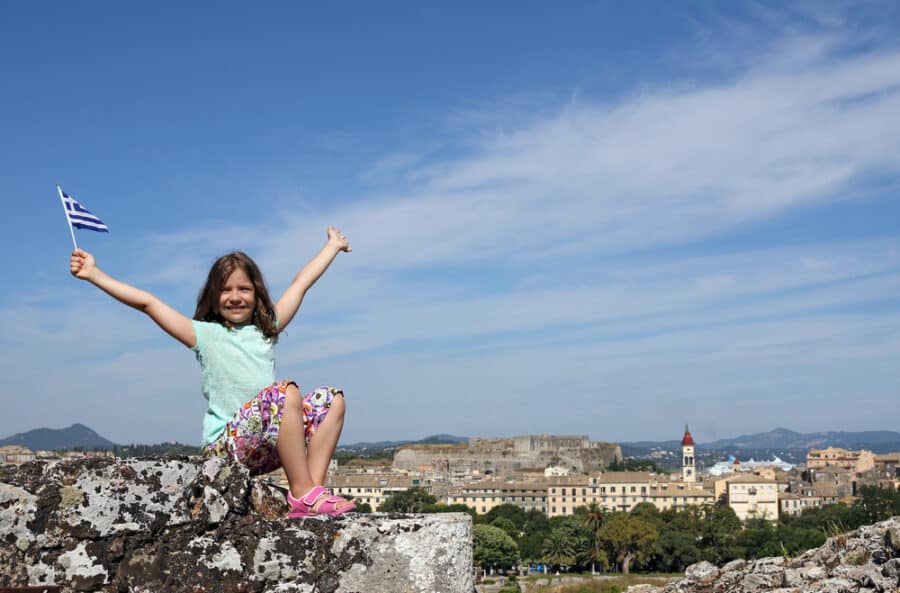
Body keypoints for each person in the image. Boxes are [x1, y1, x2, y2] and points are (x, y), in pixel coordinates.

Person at [69, 225, 355, 517]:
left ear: (257, 294)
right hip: (226, 448)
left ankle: (309, 492)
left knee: (332, 399)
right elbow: (148, 303)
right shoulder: (203, 334)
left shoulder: (267, 330)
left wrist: (331, 247)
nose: (235, 297)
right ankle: (304, 493)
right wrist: (94, 274)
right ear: (213, 296)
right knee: (285, 392)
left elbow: (300, 284)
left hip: (267, 447)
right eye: (225, 290)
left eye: (244, 289)